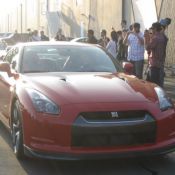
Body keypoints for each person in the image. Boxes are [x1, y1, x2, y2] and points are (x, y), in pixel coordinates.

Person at [145, 22, 167, 87]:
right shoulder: (162, 37)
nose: (151, 30)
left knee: (152, 86)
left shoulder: (155, 38)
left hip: (154, 64)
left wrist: (147, 37)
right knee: (158, 84)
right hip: (160, 63)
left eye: (152, 29)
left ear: (155, 29)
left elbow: (147, 47)